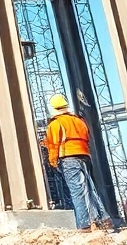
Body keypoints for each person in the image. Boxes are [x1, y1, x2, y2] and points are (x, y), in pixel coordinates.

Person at [42, 94, 112, 232]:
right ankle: (104, 220)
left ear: (53, 108)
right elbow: (84, 137)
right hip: (85, 156)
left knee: (77, 192)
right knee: (90, 188)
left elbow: (54, 145)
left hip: (68, 158)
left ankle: (84, 225)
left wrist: (52, 161)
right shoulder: (79, 121)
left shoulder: (55, 124)